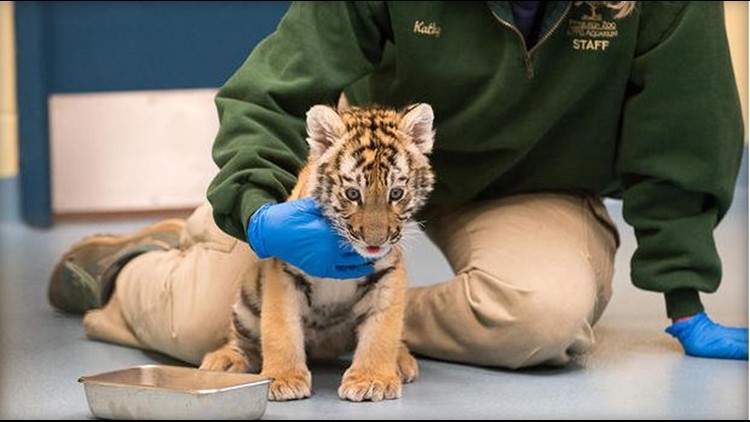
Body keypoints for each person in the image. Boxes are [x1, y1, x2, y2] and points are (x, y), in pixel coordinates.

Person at [49, 1, 747, 368]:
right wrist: (257, 211)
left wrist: (683, 298)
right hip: (370, 176)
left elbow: (684, 129)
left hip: (533, 183)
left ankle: (344, 323)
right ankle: (131, 268)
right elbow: (269, 93)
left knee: (541, 318)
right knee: (216, 326)